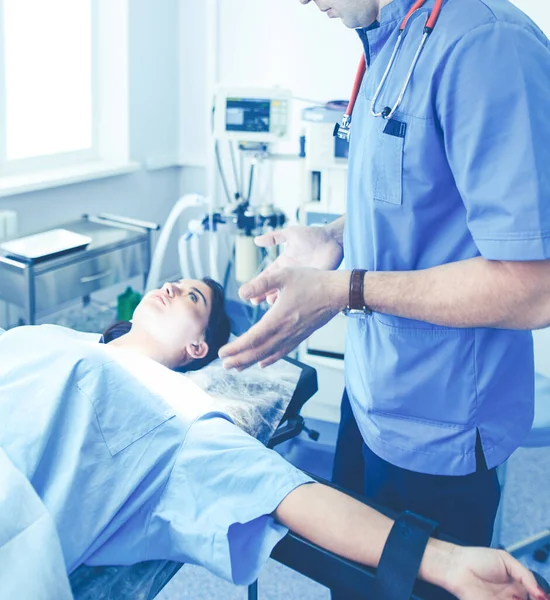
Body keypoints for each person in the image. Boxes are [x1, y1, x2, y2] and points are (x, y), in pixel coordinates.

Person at [218, 1, 550, 593]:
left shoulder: (485, 46)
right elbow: (415, 193)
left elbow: (533, 287)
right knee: (355, 585)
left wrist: (340, 292)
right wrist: (332, 238)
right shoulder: (388, 40)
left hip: (442, 423)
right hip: (370, 395)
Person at [0, 278, 547, 600]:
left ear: (199, 350)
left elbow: (293, 495)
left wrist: (445, 561)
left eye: (193, 296)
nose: (169, 286)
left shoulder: (181, 415)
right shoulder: (44, 336)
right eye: (172, 282)